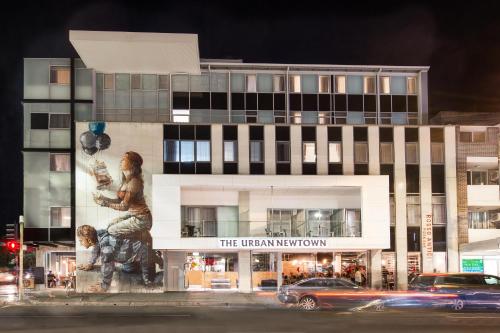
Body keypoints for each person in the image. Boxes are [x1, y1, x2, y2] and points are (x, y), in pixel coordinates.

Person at [77, 224, 158, 292]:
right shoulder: (98, 235)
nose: (80, 243)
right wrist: (90, 263)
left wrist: (104, 286)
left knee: (148, 282)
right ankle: (138, 261)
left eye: (81, 240)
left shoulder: (106, 247)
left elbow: (107, 266)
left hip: (145, 251)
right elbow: (96, 247)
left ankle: (156, 259)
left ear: (89, 240)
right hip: (131, 253)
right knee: (127, 270)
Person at [93, 152, 152, 239]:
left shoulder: (134, 182)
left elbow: (124, 207)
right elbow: (119, 201)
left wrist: (104, 204)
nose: (121, 161)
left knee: (111, 230)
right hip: (134, 215)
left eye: (124, 159)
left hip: (142, 219)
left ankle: (139, 237)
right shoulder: (126, 181)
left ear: (132, 164)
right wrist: (102, 198)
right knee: (110, 225)